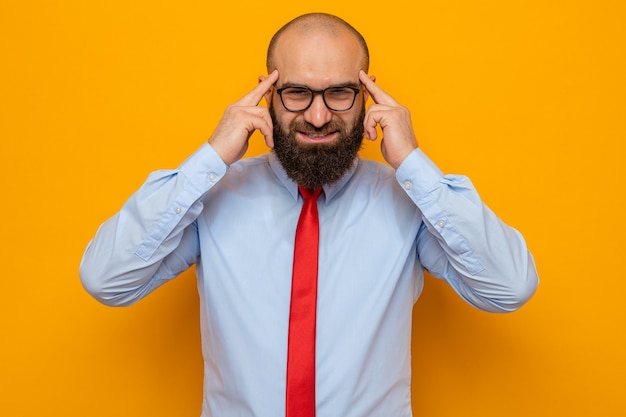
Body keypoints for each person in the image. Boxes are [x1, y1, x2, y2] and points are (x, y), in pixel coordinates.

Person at [80, 12, 539, 417]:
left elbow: (509, 288)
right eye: (297, 92)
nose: (318, 116)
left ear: (367, 95)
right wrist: (211, 159)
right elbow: (107, 280)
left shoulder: (410, 201)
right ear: (268, 94)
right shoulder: (214, 195)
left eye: (339, 92)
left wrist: (414, 164)